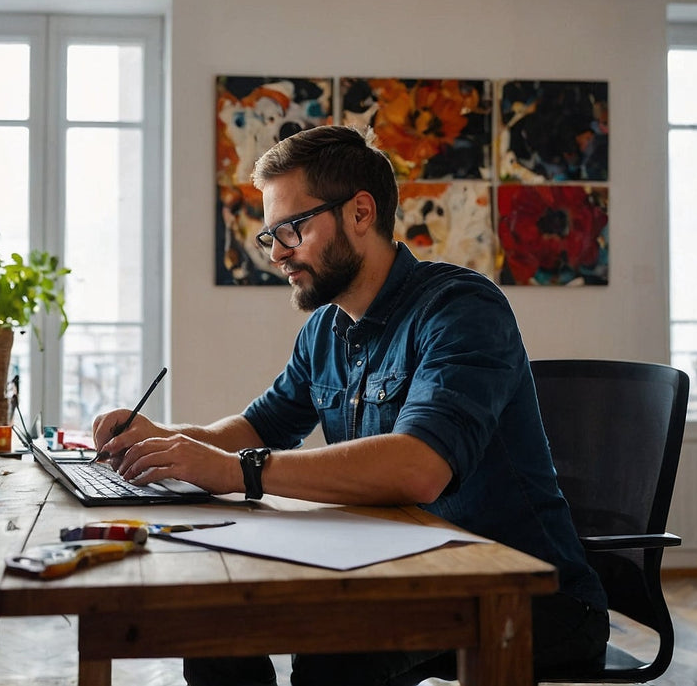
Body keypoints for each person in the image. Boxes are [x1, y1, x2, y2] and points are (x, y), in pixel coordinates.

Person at [93, 126, 608, 686]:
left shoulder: (461, 309)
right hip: (399, 570)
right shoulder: (325, 330)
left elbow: (419, 468)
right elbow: (259, 426)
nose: (280, 253)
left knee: (337, 653)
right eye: (271, 236)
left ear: (361, 213)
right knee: (213, 624)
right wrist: (161, 439)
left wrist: (238, 471)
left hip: (528, 591)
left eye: (292, 228)